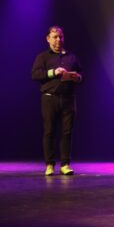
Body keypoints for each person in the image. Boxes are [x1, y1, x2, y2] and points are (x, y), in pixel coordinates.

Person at [31, 26, 82, 176]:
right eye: (55, 37)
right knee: (49, 132)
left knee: (67, 132)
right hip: (49, 98)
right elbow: (35, 74)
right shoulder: (43, 57)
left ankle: (65, 164)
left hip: (68, 99)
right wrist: (53, 72)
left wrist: (78, 77)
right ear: (48, 39)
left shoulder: (71, 57)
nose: (58, 40)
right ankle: (50, 165)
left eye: (60, 37)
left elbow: (82, 74)